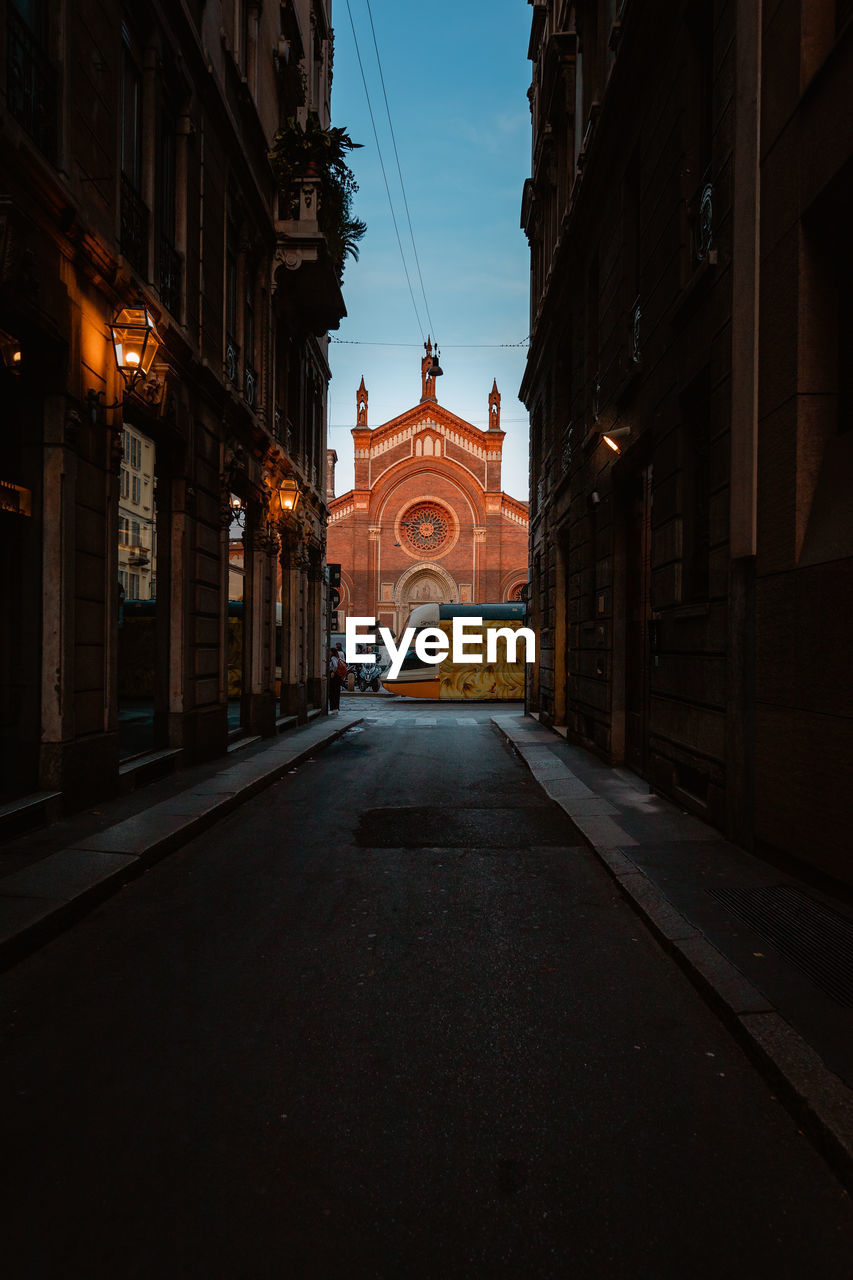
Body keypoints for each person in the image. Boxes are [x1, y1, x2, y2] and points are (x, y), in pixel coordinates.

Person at [328, 643, 347, 714]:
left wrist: (333, 672)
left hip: (334, 677)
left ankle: (333, 708)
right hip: (338, 677)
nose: (329, 652)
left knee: (332, 692)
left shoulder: (333, 658)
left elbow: (335, 666)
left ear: (332, 652)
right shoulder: (337, 657)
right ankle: (336, 708)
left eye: (330, 651)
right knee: (336, 692)